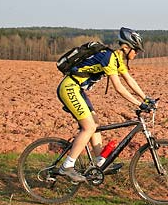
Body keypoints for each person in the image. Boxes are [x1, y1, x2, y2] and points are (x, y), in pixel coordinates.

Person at [56, 27, 151, 182]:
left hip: (77, 90)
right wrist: (139, 104)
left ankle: (100, 162)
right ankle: (67, 166)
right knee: (89, 127)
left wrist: (146, 98)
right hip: (69, 88)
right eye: (136, 50)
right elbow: (119, 87)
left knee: (96, 123)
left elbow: (129, 80)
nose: (137, 53)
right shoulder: (108, 58)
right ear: (126, 47)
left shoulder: (117, 59)